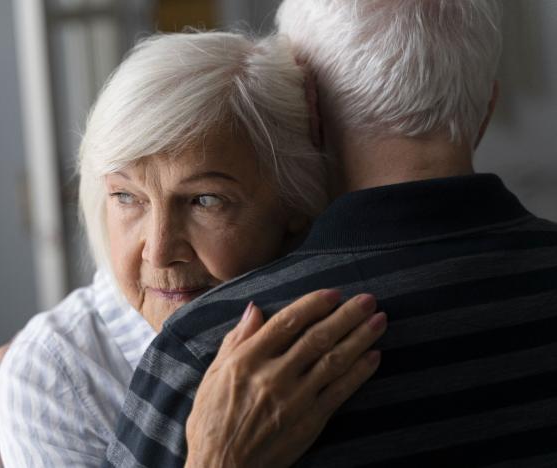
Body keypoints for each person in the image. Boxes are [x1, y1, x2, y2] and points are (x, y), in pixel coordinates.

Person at [108, 1, 557, 467]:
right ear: (487, 107)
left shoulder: (216, 354)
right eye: (124, 196)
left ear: (310, 108)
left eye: (204, 199)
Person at [0, 31, 386, 467]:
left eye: (203, 200)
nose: (158, 252)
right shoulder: (59, 374)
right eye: (127, 197)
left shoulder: (349, 319)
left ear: (294, 204)